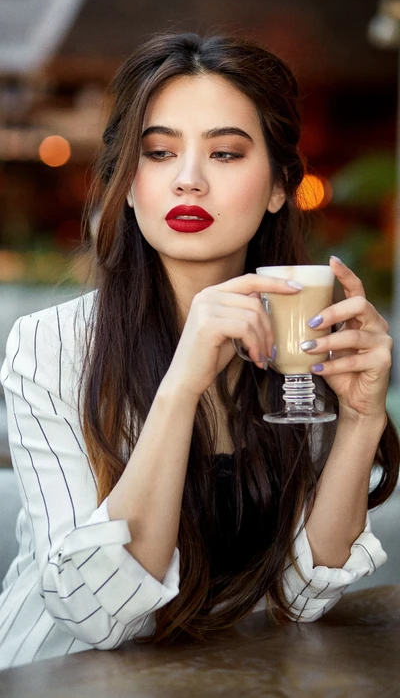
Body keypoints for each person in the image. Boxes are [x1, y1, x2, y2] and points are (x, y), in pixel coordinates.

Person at [0, 33, 399, 670]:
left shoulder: (301, 335)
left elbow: (302, 596)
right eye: (158, 153)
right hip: (49, 676)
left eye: (225, 152)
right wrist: (181, 386)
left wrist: (360, 419)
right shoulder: (50, 346)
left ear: (277, 187)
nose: (188, 180)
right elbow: (95, 614)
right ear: (128, 185)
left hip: (209, 680)